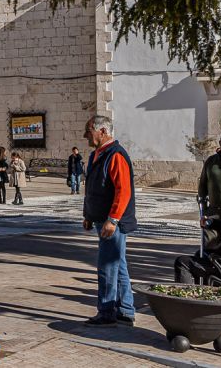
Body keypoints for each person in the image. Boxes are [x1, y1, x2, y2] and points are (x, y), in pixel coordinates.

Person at [81, 115, 136, 327]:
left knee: (107, 266)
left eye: (89, 130)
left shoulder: (116, 155)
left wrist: (112, 219)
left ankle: (106, 311)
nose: (86, 135)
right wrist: (88, 215)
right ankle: (126, 310)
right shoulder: (97, 154)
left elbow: (123, 191)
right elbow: (93, 188)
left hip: (113, 223)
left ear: (102, 131)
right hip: (100, 219)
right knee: (118, 265)